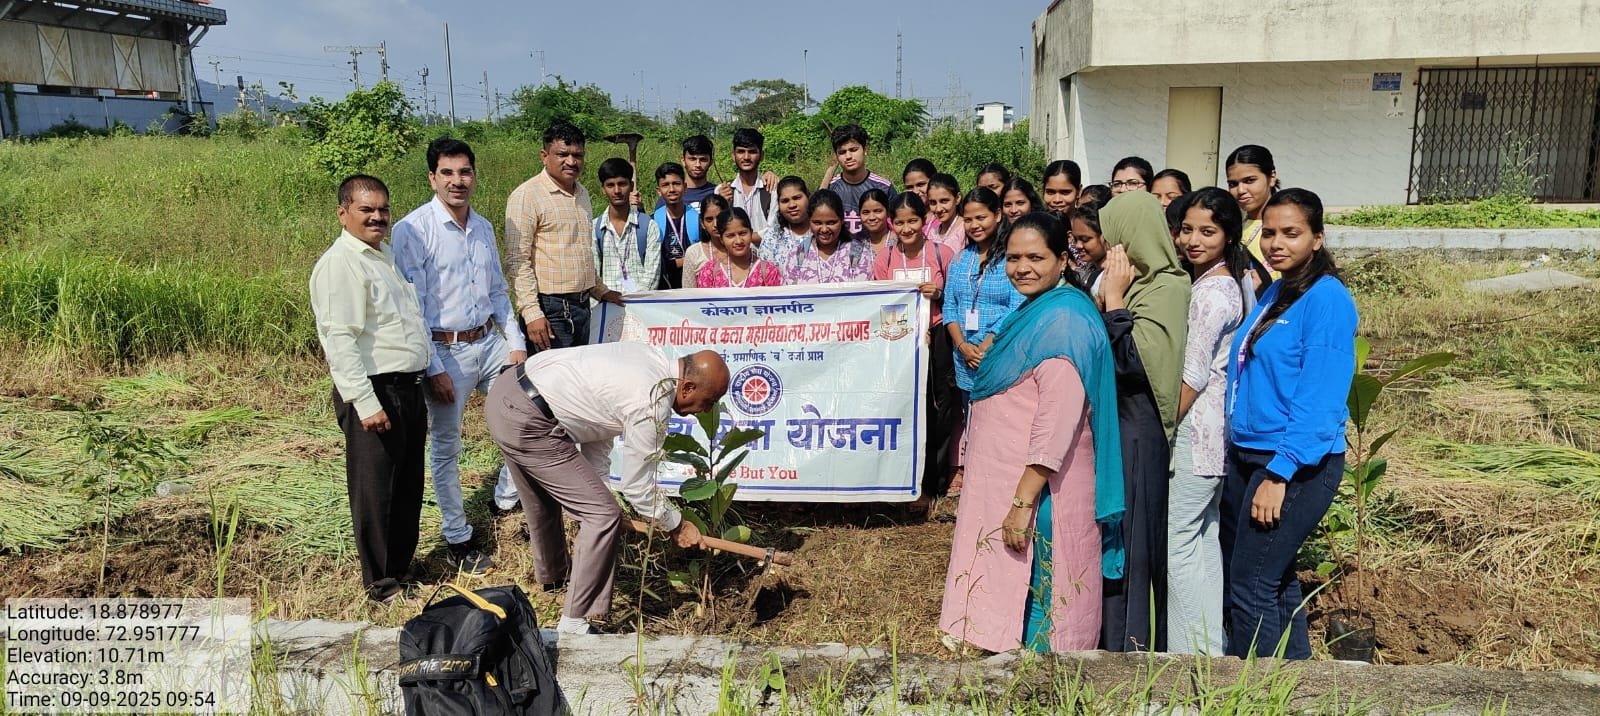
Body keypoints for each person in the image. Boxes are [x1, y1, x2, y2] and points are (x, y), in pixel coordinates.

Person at [939, 211, 1124, 653]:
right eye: (1014, 258)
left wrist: (1022, 503)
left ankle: (1041, 682)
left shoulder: (1064, 323)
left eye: (1035, 258)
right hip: (1016, 482)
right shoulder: (1037, 308)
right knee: (1021, 590)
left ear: (1063, 260)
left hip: (1044, 493)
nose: (1022, 267)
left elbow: (1056, 425)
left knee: (1045, 593)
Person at [485, 344, 728, 634]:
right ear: (687, 387)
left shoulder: (650, 358)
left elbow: (596, 426)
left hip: (506, 394)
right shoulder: (653, 401)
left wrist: (598, 490)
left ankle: (556, 580)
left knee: (543, 499)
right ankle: (575, 624)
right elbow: (637, 486)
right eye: (709, 401)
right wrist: (676, 524)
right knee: (602, 516)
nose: (707, 410)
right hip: (529, 419)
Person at [1221, 188, 1356, 660]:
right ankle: (1298, 685)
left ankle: (1254, 691)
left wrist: (1280, 473)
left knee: (1250, 583)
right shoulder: (1279, 290)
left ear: (1318, 238)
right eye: (1269, 233)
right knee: (1274, 580)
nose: (1276, 243)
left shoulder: (1327, 300)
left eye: (1291, 233)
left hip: (1293, 463)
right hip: (1251, 453)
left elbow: (1321, 400)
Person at [392, 138, 523, 577]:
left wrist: (515, 342)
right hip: (444, 350)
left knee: (526, 416)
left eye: (464, 172)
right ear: (432, 178)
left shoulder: (482, 227)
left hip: (489, 342)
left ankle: (506, 498)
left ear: (474, 175)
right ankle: (457, 536)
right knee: (447, 446)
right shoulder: (413, 230)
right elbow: (413, 307)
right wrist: (433, 367)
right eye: (447, 173)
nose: (457, 181)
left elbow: (498, 291)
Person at [309, 175, 432, 604]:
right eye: (366, 209)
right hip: (376, 390)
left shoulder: (384, 256)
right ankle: (380, 585)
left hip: (408, 388)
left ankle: (400, 569)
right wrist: (365, 402)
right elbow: (339, 340)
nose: (377, 217)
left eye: (383, 209)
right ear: (343, 213)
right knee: (377, 491)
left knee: (407, 486)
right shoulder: (341, 264)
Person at [1095, 190, 1190, 652]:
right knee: (1117, 537)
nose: (1106, 248)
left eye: (1111, 237)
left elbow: (1135, 365)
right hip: (1120, 426)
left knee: (1135, 543)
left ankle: (1131, 646)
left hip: (1139, 430)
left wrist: (1114, 300)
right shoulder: (1137, 284)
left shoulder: (1167, 288)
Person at [1166, 188, 1250, 656]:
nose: (1193, 240)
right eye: (1187, 230)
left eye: (1207, 231)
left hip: (1195, 433)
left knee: (1180, 544)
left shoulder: (1212, 294)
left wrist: (1164, 427)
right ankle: (1208, 650)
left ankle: (1186, 658)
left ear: (1229, 236)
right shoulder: (1223, 283)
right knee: (1202, 540)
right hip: (1215, 435)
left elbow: (1193, 374)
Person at [875, 192, 958, 505]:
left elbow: (956, 298)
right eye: (900, 222)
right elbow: (880, 304)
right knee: (905, 407)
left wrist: (939, 294)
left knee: (938, 407)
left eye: (913, 220)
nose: (906, 228)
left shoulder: (942, 253)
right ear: (891, 224)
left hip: (937, 336)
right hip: (900, 342)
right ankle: (904, 481)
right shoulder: (884, 259)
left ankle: (935, 483)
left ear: (925, 221)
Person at [507, 121, 596, 351]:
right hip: (550, 310)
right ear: (544, 156)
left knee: (579, 370)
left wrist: (599, 289)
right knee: (553, 373)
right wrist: (532, 313)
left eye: (577, 155)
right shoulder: (527, 196)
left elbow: (580, 250)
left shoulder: (582, 193)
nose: (571, 161)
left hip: (582, 305)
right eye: (562, 154)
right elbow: (518, 261)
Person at [592, 157, 662, 299]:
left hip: (641, 305)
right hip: (606, 305)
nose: (617, 190)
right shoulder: (594, 228)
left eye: (622, 184)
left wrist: (634, 302)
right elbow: (593, 273)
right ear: (603, 189)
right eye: (610, 185)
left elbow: (652, 274)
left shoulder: (649, 226)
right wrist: (604, 298)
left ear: (631, 185)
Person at [779, 189, 874, 284]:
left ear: (842, 220)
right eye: (817, 223)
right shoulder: (797, 255)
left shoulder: (858, 254)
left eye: (831, 223)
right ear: (809, 220)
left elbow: (864, 291)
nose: (824, 229)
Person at [826, 124, 897, 243]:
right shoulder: (830, 188)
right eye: (842, 152)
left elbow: (897, 224)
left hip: (877, 251)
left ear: (865, 150)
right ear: (836, 156)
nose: (848, 156)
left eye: (853, 150)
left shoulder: (884, 187)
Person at [1225, 144, 1280, 276]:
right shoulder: (1233, 226)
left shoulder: (1285, 225)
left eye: (1249, 181)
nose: (1240, 190)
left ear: (1272, 177)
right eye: (1233, 184)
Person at [717, 128, 781, 237]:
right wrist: (721, 204)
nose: (746, 157)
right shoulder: (722, 191)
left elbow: (774, 229)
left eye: (752, 152)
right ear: (733, 155)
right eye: (741, 151)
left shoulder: (772, 188)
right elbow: (718, 229)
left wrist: (744, 238)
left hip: (765, 248)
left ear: (761, 155)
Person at [697, 208, 783, 288]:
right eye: (730, 236)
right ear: (721, 239)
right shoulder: (709, 272)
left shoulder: (768, 271)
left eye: (743, 233)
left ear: (751, 233)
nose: (738, 241)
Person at [652, 162, 699, 289]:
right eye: (665, 185)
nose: (671, 189)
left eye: (676, 184)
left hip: (694, 286)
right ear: (659, 191)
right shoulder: (653, 221)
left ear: (685, 187)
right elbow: (655, 263)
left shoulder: (698, 219)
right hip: (664, 287)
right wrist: (684, 261)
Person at [681, 194, 729, 290]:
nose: (715, 224)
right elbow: (688, 293)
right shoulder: (694, 253)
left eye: (720, 218)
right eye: (709, 220)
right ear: (702, 223)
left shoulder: (742, 249)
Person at [1069, 202, 1110, 294]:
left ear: (1105, 236)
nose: (1078, 245)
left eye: (1085, 239)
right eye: (1075, 239)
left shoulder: (1112, 277)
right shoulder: (1091, 270)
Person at [925, 173, 965, 254]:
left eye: (944, 201)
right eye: (933, 202)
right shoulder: (931, 233)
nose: (938, 209)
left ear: (957, 198)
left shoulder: (965, 229)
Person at [858, 188, 895, 257]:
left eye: (877, 211)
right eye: (866, 212)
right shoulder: (855, 244)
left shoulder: (900, 242)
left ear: (888, 212)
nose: (872, 217)